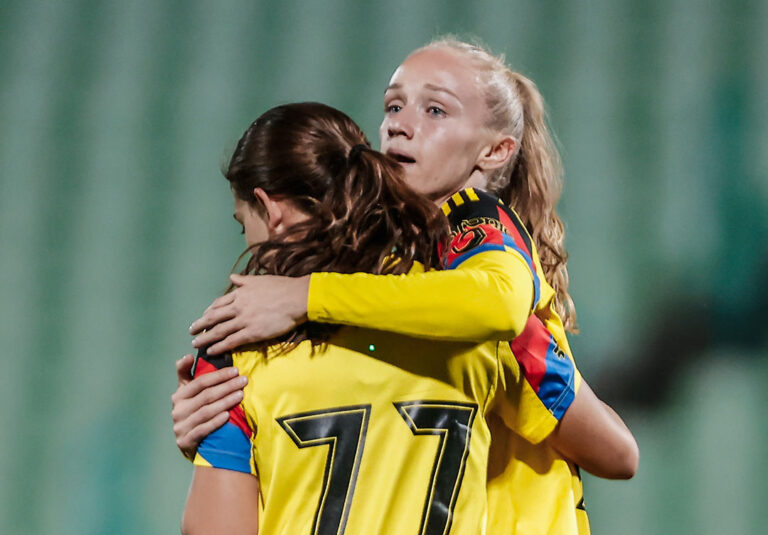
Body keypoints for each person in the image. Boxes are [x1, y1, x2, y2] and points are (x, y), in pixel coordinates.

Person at [175, 39, 638, 534]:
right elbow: (618, 453)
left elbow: (498, 306)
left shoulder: (473, 274)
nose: (399, 123)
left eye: (435, 109)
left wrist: (304, 298)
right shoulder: (446, 311)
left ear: (496, 150)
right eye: (393, 106)